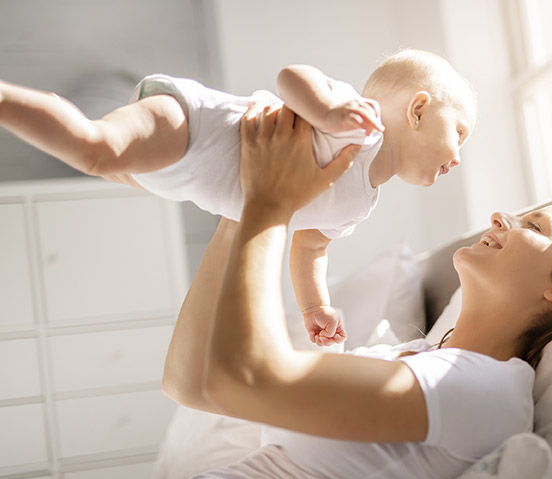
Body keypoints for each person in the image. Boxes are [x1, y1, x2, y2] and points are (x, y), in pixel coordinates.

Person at [0, 104, 552, 479]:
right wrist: (238, 205)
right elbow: (191, 382)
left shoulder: (489, 392)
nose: (506, 215)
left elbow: (242, 378)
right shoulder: (413, 355)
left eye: (535, 227)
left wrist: (270, 204)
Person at [0, 49, 477, 347]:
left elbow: (309, 248)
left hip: (179, 179)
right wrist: (327, 110)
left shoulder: (362, 202)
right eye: (459, 132)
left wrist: (315, 306)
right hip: (194, 126)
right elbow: (291, 76)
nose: (458, 157)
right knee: (93, 149)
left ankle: (57, 118)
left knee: (104, 164)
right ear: (417, 110)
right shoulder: (358, 121)